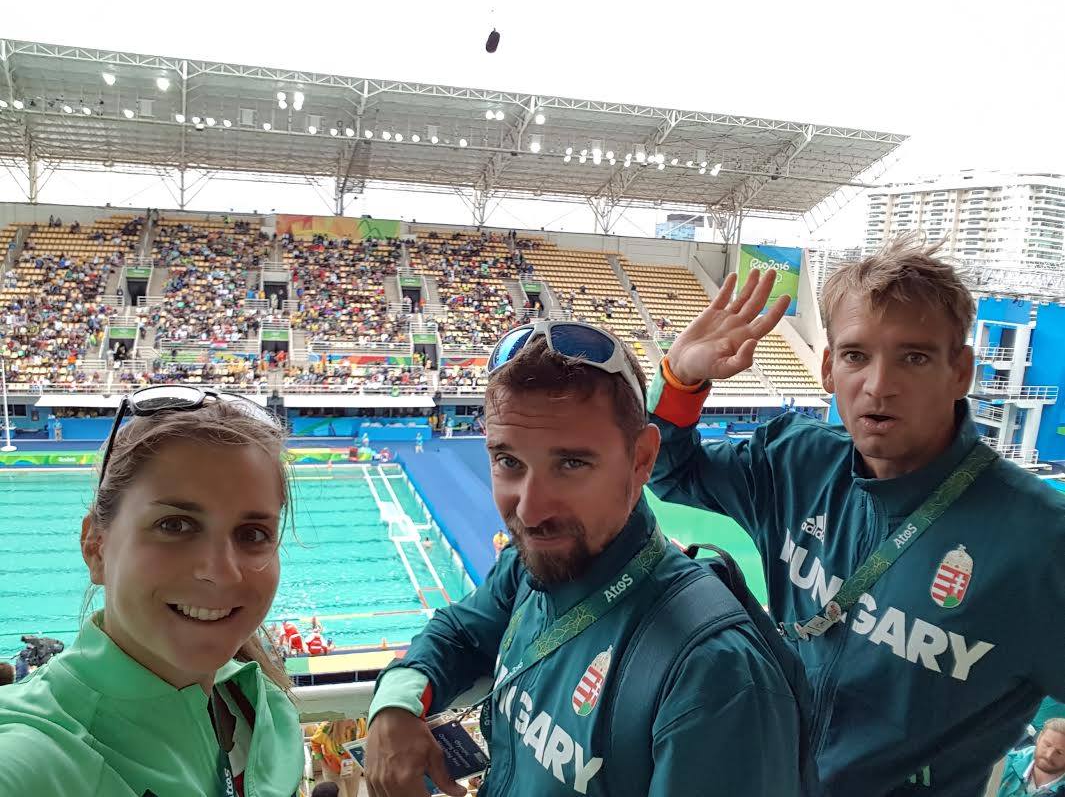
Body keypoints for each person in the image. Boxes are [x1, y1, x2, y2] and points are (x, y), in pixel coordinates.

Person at [647, 238, 1065, 797]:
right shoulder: (795, 463)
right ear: (827, 368)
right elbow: (668, 470)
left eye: (913, 357)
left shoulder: (1042, 539)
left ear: (960, 370)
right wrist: (680, 378)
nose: (878, 384)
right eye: (855, 355)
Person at [362, 322, 807, 797]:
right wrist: (395, 706)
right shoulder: (529, 569)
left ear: (642, 460)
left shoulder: (715, 677)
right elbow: (458, 631)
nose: (530, 511)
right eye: (508, 461)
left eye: (571, 464)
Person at [0, 387, 304, 795]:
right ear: (96, 547)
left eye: (252, 533)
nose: (222, 573)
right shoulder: (35, 758)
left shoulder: (265, 708)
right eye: (175, 525)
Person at [998, 719, 1065, 797]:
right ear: (1039, 738)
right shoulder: (1004, 764)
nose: (1049, 755)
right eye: (1047, 745)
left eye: (1060, 752)